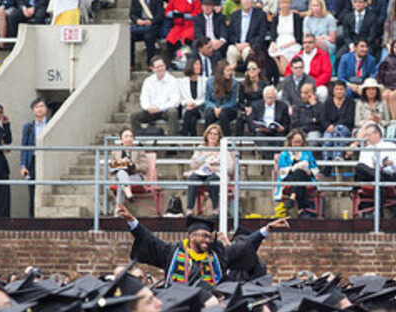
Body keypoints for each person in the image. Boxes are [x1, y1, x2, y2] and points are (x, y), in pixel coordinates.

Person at [116, 204, 286, 287]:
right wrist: (132, 221)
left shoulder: (216, 255)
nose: (207, 240)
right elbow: (148, 239)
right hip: (179, 303)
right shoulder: (172, 252)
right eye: (204, 236)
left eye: (210, 237)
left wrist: (266, 229)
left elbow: (244, 246)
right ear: (191, 236)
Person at [186, 123, 234, 216]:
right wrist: (204, 156)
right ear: (206, 135)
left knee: (212, 179)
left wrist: (216, 168)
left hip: (217, 173)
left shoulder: (223, 148)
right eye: (210, 133)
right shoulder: (201, 148)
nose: (212, 136)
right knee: (193, 178)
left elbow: (230, 167)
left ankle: (215, 209)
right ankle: (189, 209)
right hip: (202, 172)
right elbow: (193, 165)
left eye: (215, 134)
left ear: (219, 136)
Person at [274, 128, 320, 218]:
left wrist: (309, 171)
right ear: (290, 141)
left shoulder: (307, 153)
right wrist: (293, 168)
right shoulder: (285, 154)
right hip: (289, 177)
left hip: (306, 177)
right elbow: (282, 170)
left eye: (299, 142)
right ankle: (302, 210)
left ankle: (292, 198)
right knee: (298, 175)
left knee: (300, 173)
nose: (297, 144)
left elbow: (315, 168)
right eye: (295, 142)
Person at [131, 56, 182, 135]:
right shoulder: (148, 81)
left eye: (161, 66)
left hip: (165, 110)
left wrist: (160, 108)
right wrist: (148, 107)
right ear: (152, 68)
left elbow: (175, 101)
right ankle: (139, 140)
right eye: (157, 67)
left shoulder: (173, 81)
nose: (160, 69)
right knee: (134, 116)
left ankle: (173, 140)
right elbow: (144, 98)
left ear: (165, 66)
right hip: (151, 110)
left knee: (173, 112)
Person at [20, 96, 48, 218]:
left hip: (46, 161)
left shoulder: (51, 124)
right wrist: (23, 165)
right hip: (33, 161)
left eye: (42, 106)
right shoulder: (29, 127)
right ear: (33, 110)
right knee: (32, 190)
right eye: (37, 107)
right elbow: (24, 146)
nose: (39, 109)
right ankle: (32, 217)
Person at [109, 126, 150, 206]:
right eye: (126, 136)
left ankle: (119, 209)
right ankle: (128, 194)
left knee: (122, 182)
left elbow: (145, 168)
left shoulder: (139, 150)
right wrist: (120, 163)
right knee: (121, 173)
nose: (129, 139)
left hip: (134, 176)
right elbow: (111, 168)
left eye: (131, 136)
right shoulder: (115, 151)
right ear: (121, 139)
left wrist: (133, 165)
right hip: (119, 177)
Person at [130, 0, 163, 67]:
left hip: (152, 26)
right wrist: (137, 20)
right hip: (139, 25)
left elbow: (160, 15)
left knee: (149, 37)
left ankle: (150, 63)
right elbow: (132, 14)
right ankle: (131, 63)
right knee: (130, 37)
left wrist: (151, 21)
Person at [205, 60, 239, 136]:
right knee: (209, 114)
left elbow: (233, 101)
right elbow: (207, 99)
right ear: (221, 71)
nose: (230, 72)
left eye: (231, 70)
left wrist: (221, 108)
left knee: (223, 114)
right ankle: (208, 138)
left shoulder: (234, 82)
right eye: (228, 70)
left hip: (229, 108)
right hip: (214, 107)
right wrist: (214, 107)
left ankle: (226, 140)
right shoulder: (210, 81)